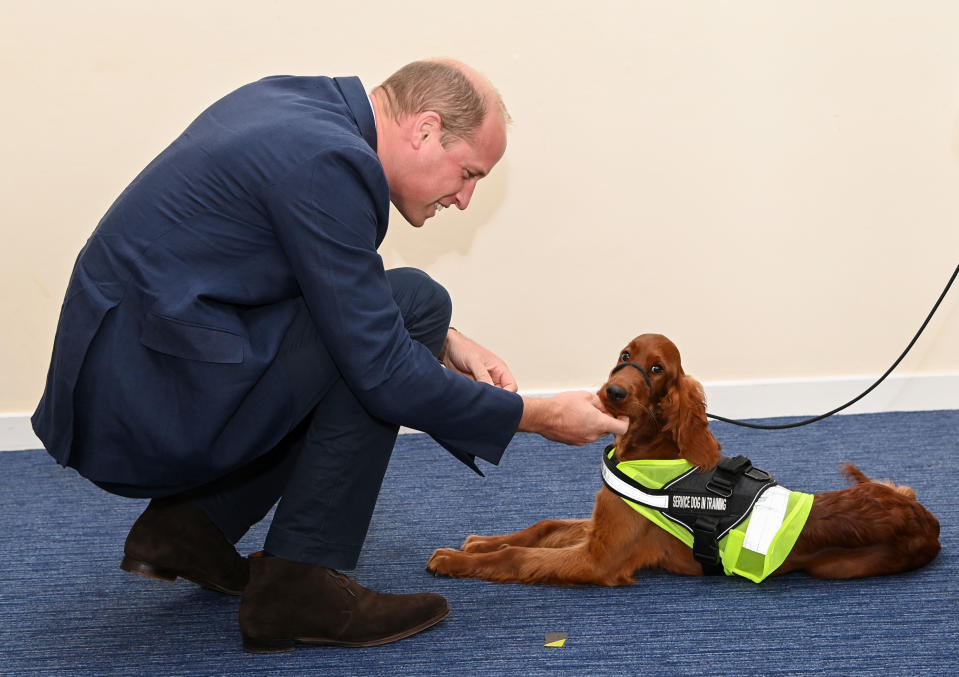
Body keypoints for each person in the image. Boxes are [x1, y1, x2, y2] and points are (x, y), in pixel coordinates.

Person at [32, 58, 626, 652]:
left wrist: (447, 340)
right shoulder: (330, 163)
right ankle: (299, 584)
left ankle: (192, 526)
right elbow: (385, 372)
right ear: (424, 129)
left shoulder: (300, 109)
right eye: (468, 173)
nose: (467, 199)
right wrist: (539, 416)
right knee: (403, 320)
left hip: (136, 367)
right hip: (155, 399)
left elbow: (324, 274)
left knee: (413, 307)